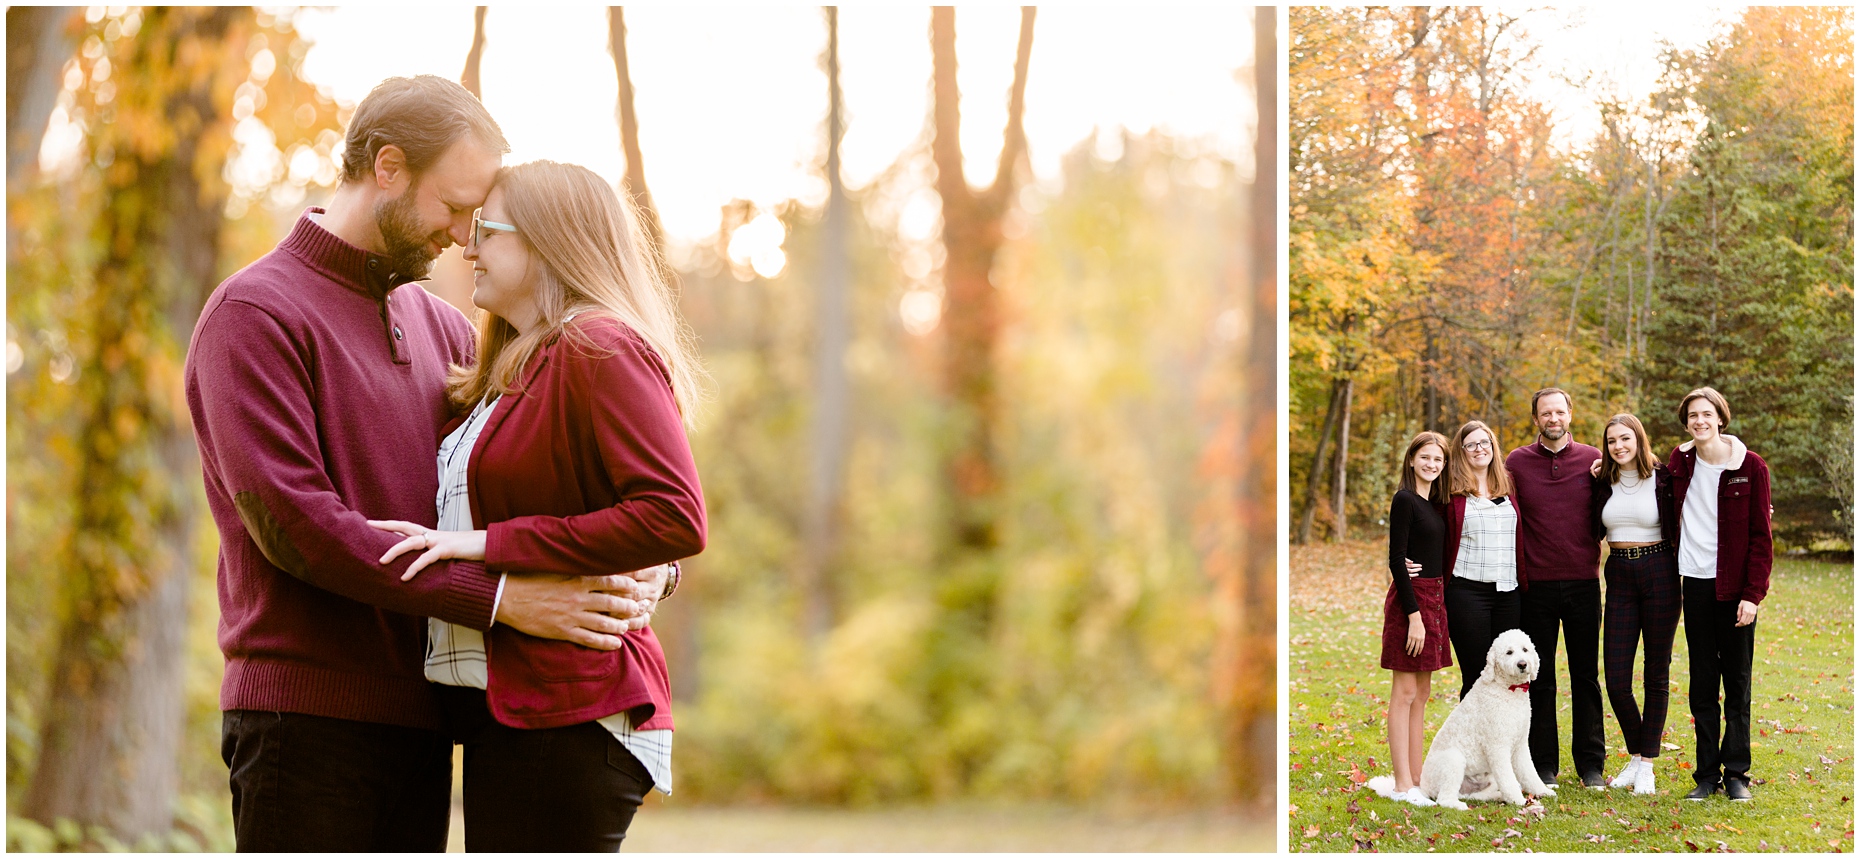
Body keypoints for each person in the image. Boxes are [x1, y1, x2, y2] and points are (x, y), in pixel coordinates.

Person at [184, 76, 658, 852]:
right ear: (389, 167)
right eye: (455, 205)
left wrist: (645, 565)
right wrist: (500, 599)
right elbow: (298, 525)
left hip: (426, 718)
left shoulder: (443, 326)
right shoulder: (255, 314)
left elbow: (539, 472)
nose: (467, 235)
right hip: (306, 719)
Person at [368, 160, 706, 850]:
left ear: (549, 239)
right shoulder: (517, 361)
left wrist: (491, 545)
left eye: (487, 230)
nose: (467, 247)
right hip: (512, 712)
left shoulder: (601, 347)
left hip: (572, 708)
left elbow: (674, 514)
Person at [1668, 387, 1771, 802]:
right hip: (1694, 584)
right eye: (1693, 415)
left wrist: (1753, 595)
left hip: (1736, 590)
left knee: (1738, 682)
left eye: (1707, 414)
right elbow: (1647, 478)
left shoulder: (1751, 466)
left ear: (1720, 418)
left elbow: (1762, 540)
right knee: (1703, 683)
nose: (1700, 421)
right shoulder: (1680, 462)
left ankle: (1737, 774)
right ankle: (1707, 775)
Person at [1504, 387, 1605, 789]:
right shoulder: (1517, 461)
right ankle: (1543, 763)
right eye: (1546, 413)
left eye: (1559, 412)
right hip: (1537, 587)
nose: (1553, 418)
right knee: (1538, 680)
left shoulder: (1594, 460)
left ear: (1570, 415)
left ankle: (1591, 764)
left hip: (1583, 582)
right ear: (1536, 419)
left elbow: (1632, 485)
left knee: (1585, 676)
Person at [1588, 414, 1679, 795]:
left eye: (1626, 439)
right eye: (1611, 441)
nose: (1619, 446)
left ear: (1639, 439)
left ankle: (1647, 765)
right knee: (1616, 678)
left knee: (1656, 674)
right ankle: (1637, 753)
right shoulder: (1601, 481)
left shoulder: (1663, 478)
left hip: (1659, 570)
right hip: (1620, 575)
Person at [1375, 431, 1452, 806]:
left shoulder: (1435, 504)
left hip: (1436, 599)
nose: (1432, 465)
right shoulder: (1404, 499)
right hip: (1413, 602)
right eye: (1425, 457)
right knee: (1404, 693)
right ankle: (1402, 785)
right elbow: (1396, 558)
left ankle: (1417, 778)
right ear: (1411, 460)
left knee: (1422, 693)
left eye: (1438, 459)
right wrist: (1414, 617)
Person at [1442, 420, 1522, 701]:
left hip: (1508, 595)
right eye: (1471, 444)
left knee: (1509, 676)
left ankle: (1504, 744)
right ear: (1461, 451)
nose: (1479, 449)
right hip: (1467, 594)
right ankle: (1471, 744)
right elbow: (1427, 526)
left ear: (1493, 446)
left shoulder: (1509, 484)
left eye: (1484, 442)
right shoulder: (1450, 491)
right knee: (1477, 676)